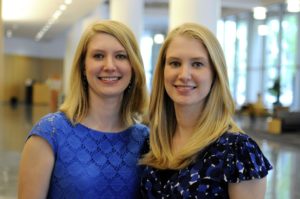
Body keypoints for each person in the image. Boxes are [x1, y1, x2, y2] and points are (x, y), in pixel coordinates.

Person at [18, 20, 149, 199]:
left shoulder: (145, 139)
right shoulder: (50, 133)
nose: (110, 66)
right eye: (98, 56)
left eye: (120, 56)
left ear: (133, 67)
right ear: (83, 67)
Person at [139, 23, 272, 198]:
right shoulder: (153, 141)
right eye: (175, 63)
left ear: (215, 74)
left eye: (197, 64)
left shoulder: (238, 151)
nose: (184, 75)